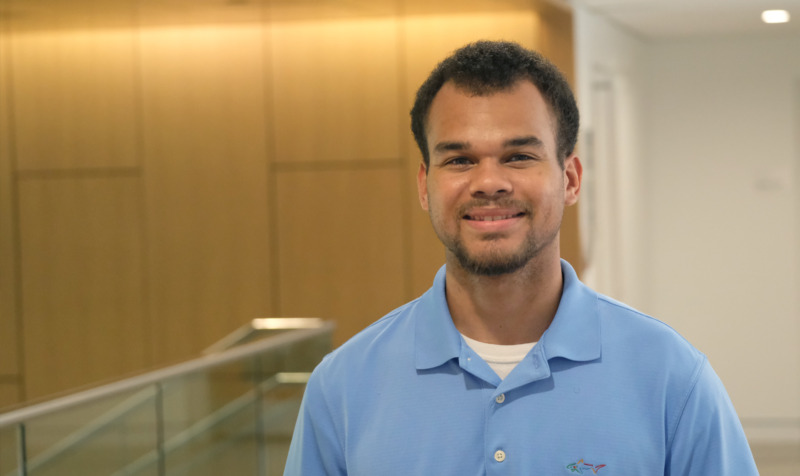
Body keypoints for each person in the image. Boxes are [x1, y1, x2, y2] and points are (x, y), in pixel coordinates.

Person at [284, 40, 758, 475]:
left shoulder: (671, 377)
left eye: (518, 157)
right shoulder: (343, 387)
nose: (489, 182)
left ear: (570, 179)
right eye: (460, 160)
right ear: (425, 186)